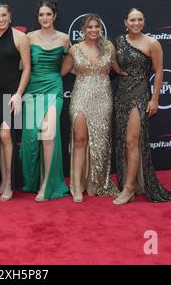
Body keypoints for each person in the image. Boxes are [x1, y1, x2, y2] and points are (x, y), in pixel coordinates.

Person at [113, 8, 171, 205]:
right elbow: (113, 62)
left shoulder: (152, 43)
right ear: (125, 22)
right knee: (123, 142)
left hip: (140, 96)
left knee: (132, 141)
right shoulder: (119, 41)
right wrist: (119, 72)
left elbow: (158, 71)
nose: (136, 23)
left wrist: (154, 99)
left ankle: (129, 188)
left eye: (140, 19)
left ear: (144, 22)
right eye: (132, 20)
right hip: (121, 95)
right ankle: (130, 182)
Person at [61, 13, 125, 202]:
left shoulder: (109, 47)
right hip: (81, 95)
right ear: (83, 30)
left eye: (96, 27)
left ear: (101, 29)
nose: (93, 30)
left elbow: (118, 69)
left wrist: (132, 74)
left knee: (101, 142)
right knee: (80, 139)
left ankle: (97, 182)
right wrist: (81, 72)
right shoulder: (75, 49)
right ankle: (77, 185)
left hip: (103, 98)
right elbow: (63, 71)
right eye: (90, 27)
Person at [21, 0, 69, 202]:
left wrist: (55, 76)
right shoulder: (29, 38)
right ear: (37, 17)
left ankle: (46, 185)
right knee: (32, 138)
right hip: (32, 90)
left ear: (55, 16)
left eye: (48, 14)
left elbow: (68, 64)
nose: (45, 18)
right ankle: (33, 180)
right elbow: (23, 66)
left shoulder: (64, 38)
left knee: (48, 134)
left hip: (53, 89)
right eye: (41, 15)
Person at [0, 3, 31, 202]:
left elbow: (27, 68)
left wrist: (19, 93)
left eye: (4, 15)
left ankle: (10, 184)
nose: (1, 19)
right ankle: (3, 181)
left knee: (6, 136)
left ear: (10, 16)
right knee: (0, 140)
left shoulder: (20, 38)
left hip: (12, 95)